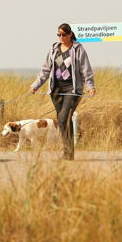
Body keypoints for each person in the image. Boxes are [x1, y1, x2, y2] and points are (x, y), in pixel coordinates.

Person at [30, 23, 96, 160]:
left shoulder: (78, 49)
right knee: (63, 121)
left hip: (72, 90)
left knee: (63, 118)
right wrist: (36, 85)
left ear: (70, 34)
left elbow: (86, 69)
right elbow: (46, 69)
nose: (61, 37)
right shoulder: (54, 49)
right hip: (56, 90)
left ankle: (67, 152)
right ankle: (68, 152)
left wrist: (90, 86)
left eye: (64, 35)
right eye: (59, 34)